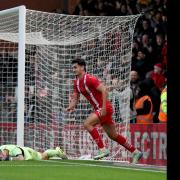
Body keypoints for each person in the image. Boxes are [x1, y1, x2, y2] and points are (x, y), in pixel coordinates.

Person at [65, 58, 143, 163]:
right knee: (113, 135)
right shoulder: (76, 82)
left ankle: (103, 149)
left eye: (75, 67)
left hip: (104, 107)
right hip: (100, 109)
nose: (73, 70)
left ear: (82, 67)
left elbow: (104, 90)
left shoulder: (89, 78)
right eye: (72, 68)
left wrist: (104, 108)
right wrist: (71, 106)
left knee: (87, 124)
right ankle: (135, 151)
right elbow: (76, 98)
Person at [0, 144, 68, 161]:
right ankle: (56, 150)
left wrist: (9, 159)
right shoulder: (2, 148)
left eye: (0, 156)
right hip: (25, 150)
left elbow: (21, 158)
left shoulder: (13, 149)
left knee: (43, 156)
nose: (0, 157)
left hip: (29, 153)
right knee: (45, 157)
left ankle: (58, 151)